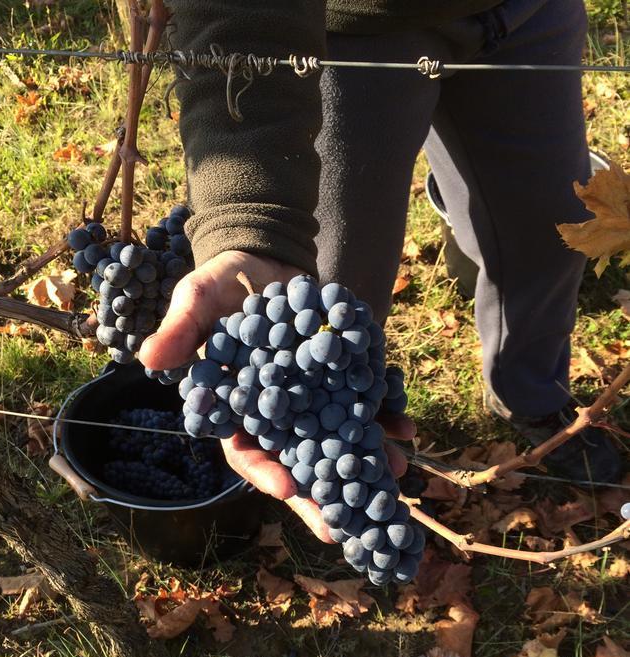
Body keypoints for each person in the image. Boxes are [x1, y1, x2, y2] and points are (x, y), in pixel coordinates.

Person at [139, 0, 622, 540]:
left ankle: (530, 396)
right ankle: (365, 453)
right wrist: (248, 221)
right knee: (337, 296)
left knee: (552, 234)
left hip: (529, 13)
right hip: (348, 32)